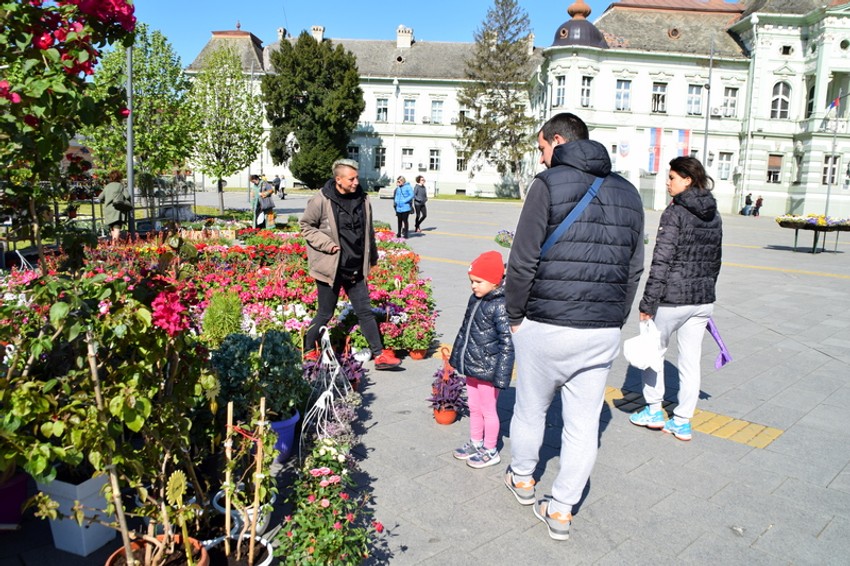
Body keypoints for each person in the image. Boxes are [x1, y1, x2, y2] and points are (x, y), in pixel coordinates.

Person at [504, 112, 644, 541]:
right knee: (583, 424)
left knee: (531, 407)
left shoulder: (547, 185)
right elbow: (634, 268)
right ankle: (562, 510)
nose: (541, 158)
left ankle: (524, 479)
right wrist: (614, 320)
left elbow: (523, 259)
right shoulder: (629, 193)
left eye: (542, 148)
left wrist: (514, 317)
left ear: (559, 141)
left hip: (547, 323)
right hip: (600, 329)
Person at [629, 156, 722, 441]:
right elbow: (716, 259)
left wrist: (647, 303)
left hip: (672, 299)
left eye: (671, 177)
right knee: (690, 361)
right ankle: (682, 421)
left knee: (652, 354)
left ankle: (654, 411)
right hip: (702, 300)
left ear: (687, 179)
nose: (667, 183)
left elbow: (662, 261)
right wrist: (706, 288)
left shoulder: (675, 213)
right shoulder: (714, 213)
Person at [299, 159, 401, 370]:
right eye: (351, 178)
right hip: (331, 268)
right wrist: (327, 244)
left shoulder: (363, 199)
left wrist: (372, 258)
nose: (356, 182)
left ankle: (380, 355)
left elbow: (368, 231)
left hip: (355, 267)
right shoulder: (321, 200)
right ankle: (309, 349)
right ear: (338, 179)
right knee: (325, 314)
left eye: (357, 178)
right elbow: (306, 226)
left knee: (365, 311)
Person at [450, 250, 514, 470]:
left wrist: (502, 374)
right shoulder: (475, 299)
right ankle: (476, 442)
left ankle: (490, 449)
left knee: (488, 409)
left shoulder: (500, 305)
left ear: (495, 281)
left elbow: (508, 342)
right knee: (474, 406)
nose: (473, 286)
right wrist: (457, 357)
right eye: (471, 281)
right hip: (472, 364)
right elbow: (464, 330)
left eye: (478, 281)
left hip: (488, 368)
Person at [100, 169, 131, 242]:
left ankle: (113, 245)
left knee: (112, 229)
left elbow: (100, 197)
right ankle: (114, 247)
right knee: (117, 228)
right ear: (120, 177)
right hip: (117, 210)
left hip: (108, 210)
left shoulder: (107, 186)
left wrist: (107, 200)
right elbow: (127, 196)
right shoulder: (120, 186)